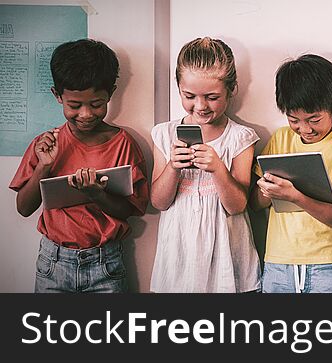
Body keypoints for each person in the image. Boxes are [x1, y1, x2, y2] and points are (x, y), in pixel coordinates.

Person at [9, 39, 149, 293]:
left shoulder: (123, 144)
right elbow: (23, 208)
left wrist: (96, 194)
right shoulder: (46, 145)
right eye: (74, 105)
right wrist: (44, 167)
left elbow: (130, 210)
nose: (85, 114)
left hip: (105, 264)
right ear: (57, 96)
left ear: (111, 93)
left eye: (96, 104)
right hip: (54, 262)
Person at [250, 54, 332, 293]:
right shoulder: (281, 138)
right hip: (278, 261)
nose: (305, 129)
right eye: (294, 120)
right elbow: (255, 204)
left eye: (314, 119)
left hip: (328, 265)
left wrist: (295, 196)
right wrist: (266, 190)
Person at [150, 37, 261, 293]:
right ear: (178, 88)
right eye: (189, 96)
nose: (200, 106)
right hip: (179, 258)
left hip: (228, 259)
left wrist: (219, 169)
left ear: (231, 89)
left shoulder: (240, 138)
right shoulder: (164, 134)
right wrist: (172, 168)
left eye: (212, 97)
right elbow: (158, 202)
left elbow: (237, 206)